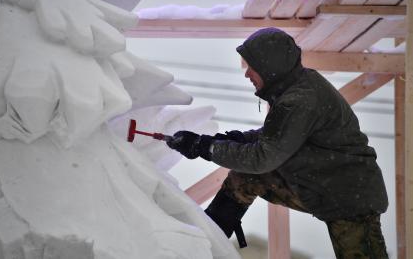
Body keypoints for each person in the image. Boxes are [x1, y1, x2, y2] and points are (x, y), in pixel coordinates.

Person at [166, 27, 389, 258]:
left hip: (350, 199)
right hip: (322, 186)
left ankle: (206, 244)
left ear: (268, 66)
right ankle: (208, 245)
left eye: (250, 67)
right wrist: (237, 139)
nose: (247, 74)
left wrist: (206, 147)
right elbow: (278, 136)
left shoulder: (300, 100)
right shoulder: (298, 87)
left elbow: (263, 157)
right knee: (246, 177)